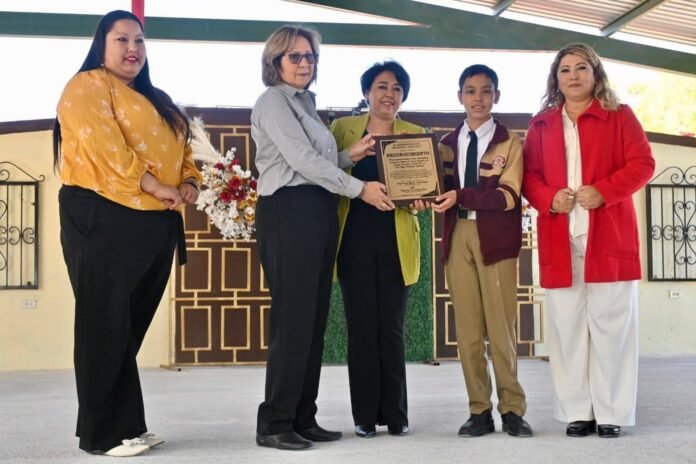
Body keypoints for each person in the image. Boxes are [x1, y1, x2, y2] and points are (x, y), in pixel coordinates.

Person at [54, 10, 201, 457]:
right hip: (102, 216)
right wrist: (155, 184)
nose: (133, 48)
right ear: (101, 44)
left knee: (126, 329)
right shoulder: (87, 86)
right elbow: (105, 149)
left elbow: (185, 147)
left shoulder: (158, 98)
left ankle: (127, 425)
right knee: (103, 325)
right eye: (122, 39)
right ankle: (101, 435)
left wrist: (189, 183)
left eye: (139, 40)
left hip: (155, 222)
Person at [251, 25, 392, 451]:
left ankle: (301, 416)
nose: (304, 63)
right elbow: (301, 160)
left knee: (312, 320)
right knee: (292, 320)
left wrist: (350, 155)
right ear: (275, 61)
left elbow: (317, 160)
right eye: (295, 56)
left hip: (316, 209)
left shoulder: (306, 103)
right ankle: (274, 422)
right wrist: (359, 188)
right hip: (288, 211)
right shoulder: (273, 101)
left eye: (310, 56)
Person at [522, 43, 655, 438]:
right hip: (559, 236)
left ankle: (611, 412)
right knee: (567, 327)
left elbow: (643, 164)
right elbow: (529, 177)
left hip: (609, 233)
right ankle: (577, 411)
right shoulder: (541, 124)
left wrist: (604, 191)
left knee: (611, 326)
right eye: (565, 69)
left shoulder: (620, 116)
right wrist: (549, 198)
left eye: (581, 67)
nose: (574, 76)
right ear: (556, 79)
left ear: (595, 73)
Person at [420, 64, 533, 438]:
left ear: (496, 96)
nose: (478, 98)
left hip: (495, 240)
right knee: (467, 332)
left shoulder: (510, 142)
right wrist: (420, 195)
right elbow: (435, 188)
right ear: (460, 97)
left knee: (501, 329)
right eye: (470, 91)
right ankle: (479, 410)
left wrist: (461, 195)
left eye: (486, 91)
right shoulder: (445, 144)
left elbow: (508, 196)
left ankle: (512, 409)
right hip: (458, 237)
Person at [330, 61, 424, 439]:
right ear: (367, 92)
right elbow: (326, 175)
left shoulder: (415, 135)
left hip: (396, 241)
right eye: (382, 86)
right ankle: (365, 415)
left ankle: (396, 414)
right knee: (361, 328)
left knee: (392, 328)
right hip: (353, 239)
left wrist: (420, 199)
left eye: (397, 88)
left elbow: (423, 188)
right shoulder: (342, 130)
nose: (390, 94)